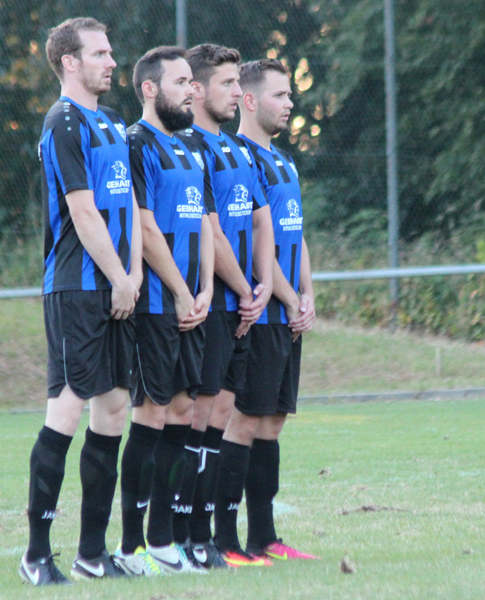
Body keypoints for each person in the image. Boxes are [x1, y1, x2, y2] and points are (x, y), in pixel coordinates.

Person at [19, 17, 143, 586]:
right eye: (99, 53)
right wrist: (118, 276)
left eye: (110, 51)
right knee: (66, 410)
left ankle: (92, 554)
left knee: (114, 409)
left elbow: (130, 206)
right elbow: (82, 210)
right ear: (69, 62)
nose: (111, 61)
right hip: (77, 286)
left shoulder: (113, 122)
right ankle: (35, 556)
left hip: (119, 285)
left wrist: (132, 274)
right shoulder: (62, 121)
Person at [112, 46, 215, 576]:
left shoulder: (190, 147)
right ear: (150, 89)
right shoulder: (135, 143)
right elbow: (145, 227)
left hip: (191, 303)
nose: (191, 90)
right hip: (155, 306)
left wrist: (205, 289)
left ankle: (162, 542)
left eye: (192, 81)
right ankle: (130, 548)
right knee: (149, 415)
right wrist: (178, 291)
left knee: (181, 415)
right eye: (180, 82)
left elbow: (202, 225)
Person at [172, 44, 275, 569]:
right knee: (197, 418)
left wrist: (262, 284)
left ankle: (208, 538)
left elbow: (259, 218)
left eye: (239, 82)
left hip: (241, 303)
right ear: (197, 90)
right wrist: (244, 288)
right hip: (211, 303)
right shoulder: (189, 146)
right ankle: (182, 535)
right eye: (228, 83)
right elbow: (210, 230)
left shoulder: (238, 149)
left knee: (222, 418)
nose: (237, 92)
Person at [212, 59, 318, 564]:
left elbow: (295, 234)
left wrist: (308, 294)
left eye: (290, 94)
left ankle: (264, 537)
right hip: (262, 315)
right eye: (280, 95)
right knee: (243, 423)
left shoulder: (284, 161)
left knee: (272, 423)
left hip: (289, 316)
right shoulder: (241, 159)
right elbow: (261, 246)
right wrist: (290, 299)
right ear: (250, 101)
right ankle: (224, 539)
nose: (290, 103)